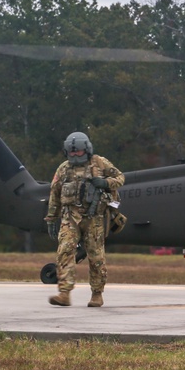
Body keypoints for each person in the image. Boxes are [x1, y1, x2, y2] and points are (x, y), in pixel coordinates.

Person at [44, 131, 125, 307]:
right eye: (71, 152)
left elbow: (120, 178)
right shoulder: (63, 169)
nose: (75, 155)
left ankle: (97, 293)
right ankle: (64, 293)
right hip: (70, 217)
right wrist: (51, 217)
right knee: (65, 251)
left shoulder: (100, 163)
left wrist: (105, 183)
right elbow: (55, 193)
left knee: (96, 257)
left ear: (86, 150)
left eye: (78, 151)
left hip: (94, 218)